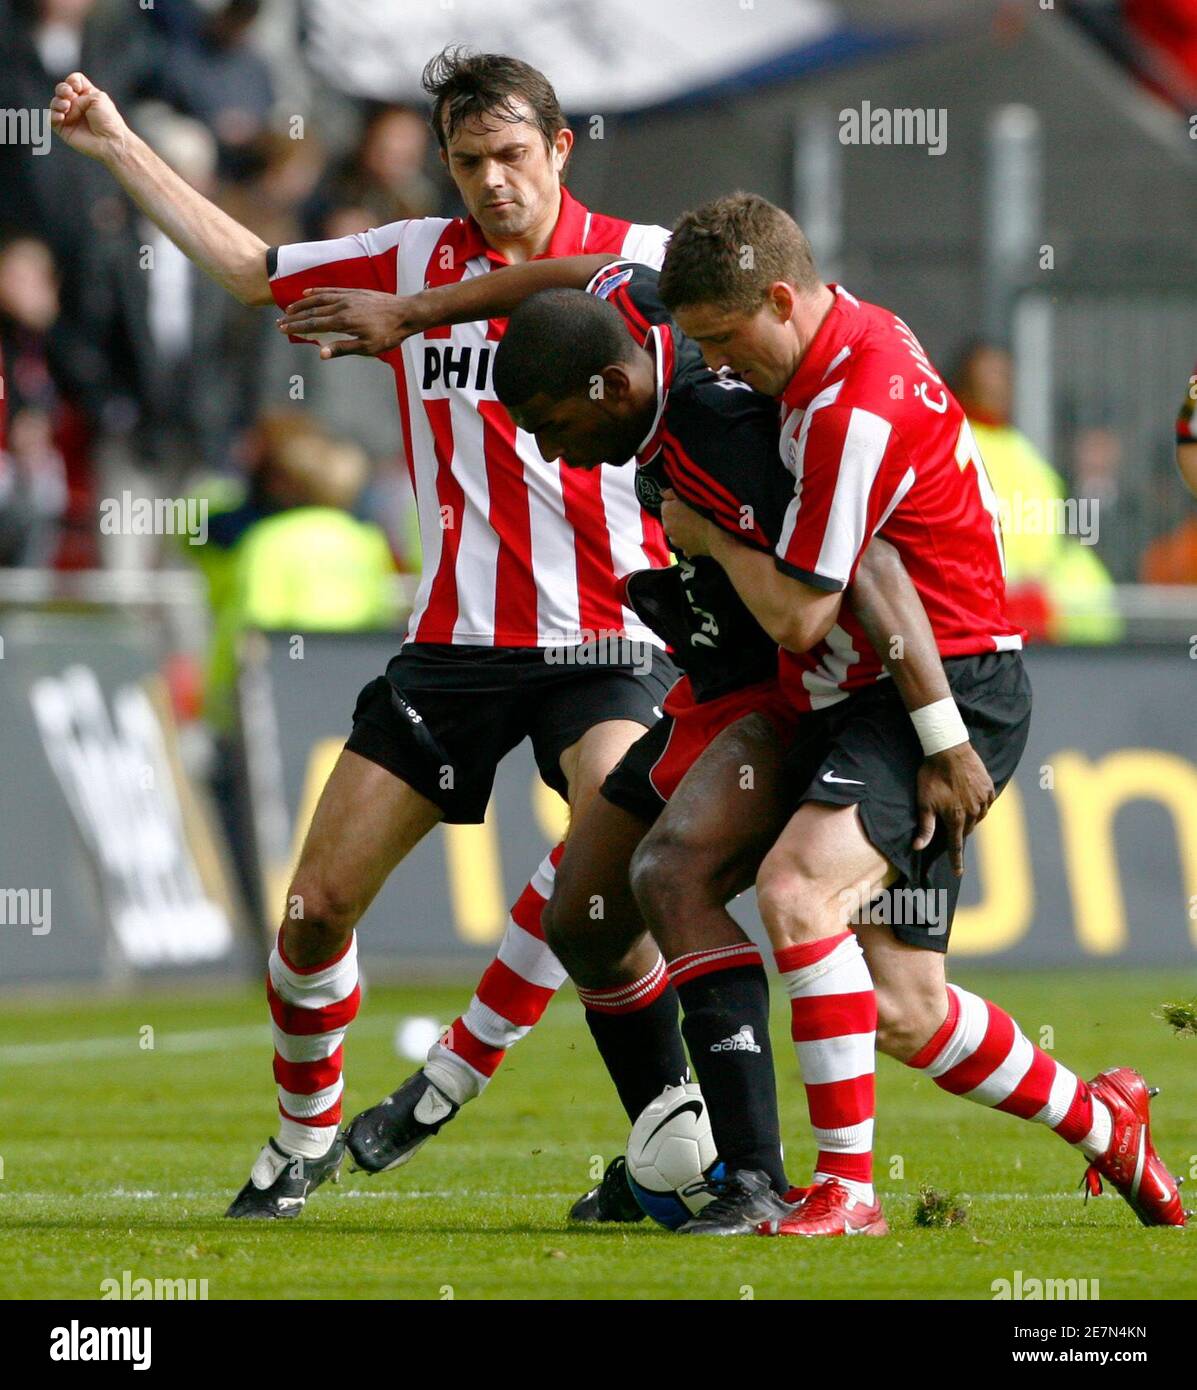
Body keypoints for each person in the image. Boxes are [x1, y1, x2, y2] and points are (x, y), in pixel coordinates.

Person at [50, 48, 681, 1220]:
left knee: (612, 884)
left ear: (560, 149)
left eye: (511, 155)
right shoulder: (403, 257)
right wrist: (116, 146)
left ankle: (667, 1144)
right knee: (314, 909)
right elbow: (247, 270)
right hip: (454, 644)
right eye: (467, 160)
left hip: (610, 638)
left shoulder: (636, 265)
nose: (492, 180)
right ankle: (301, 1137)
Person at [339, 264, 993, 1221]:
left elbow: (870, 567)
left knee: (733, 902)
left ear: (607, 389)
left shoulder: (727, 431)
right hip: (717, 683)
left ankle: (757, 1178)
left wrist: (940, 736)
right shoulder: (638, 307)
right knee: (587, 912)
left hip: (803, 695)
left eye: (554, 429)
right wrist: (420, 312)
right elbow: (581, 271)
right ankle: (674, 1147)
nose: (558, 459)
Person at [627, 192, 1186, 1235]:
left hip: (937, 690)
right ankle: (1110, 1124)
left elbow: (806, 609)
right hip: (880, 696)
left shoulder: (850, 406)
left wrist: (704, 530)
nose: (716, 366)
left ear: (783, 299)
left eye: (723, 339)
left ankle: (844, 1193)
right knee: (903, 1008)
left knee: (797, 890)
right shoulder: (846, 336)